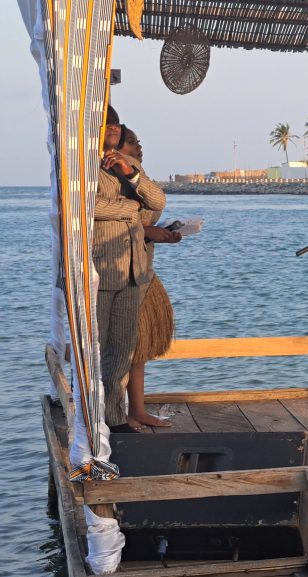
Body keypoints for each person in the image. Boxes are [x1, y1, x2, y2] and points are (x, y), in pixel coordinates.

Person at [94, 107, 166, 432]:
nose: (111, 129)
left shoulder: (128, 165)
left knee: (123, 348)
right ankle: (92, 416)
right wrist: (130, 208)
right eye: (105, 124)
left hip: (134, 270)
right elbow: (85, 205)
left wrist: (131, 174)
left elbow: (158, 201)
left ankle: (115, 417)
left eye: (115, 124)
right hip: (102, 270)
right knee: (95, 347)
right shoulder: (83, 165)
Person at [117, 125, 181, 430]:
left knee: (140, 346)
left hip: (143, 267)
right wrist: (146, 232)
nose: (138, 146)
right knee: (125, 345)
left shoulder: (137, 176)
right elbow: (107, 226)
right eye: (131, 142)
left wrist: (159, 232)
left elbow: (154, 204)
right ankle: (124, 411)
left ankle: (137, 409)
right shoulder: (111, 177)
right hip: (121, 271)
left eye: (139, 141)